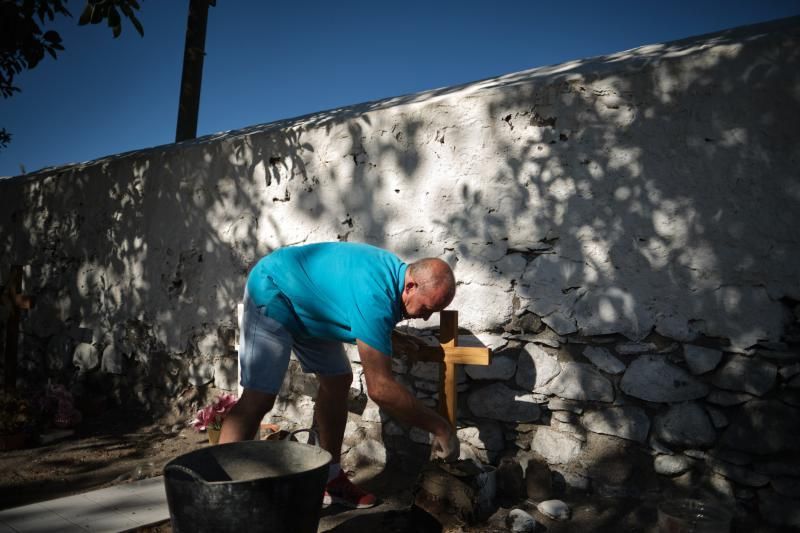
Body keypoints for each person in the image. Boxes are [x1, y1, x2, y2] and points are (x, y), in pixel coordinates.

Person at [219, 241, 460, 509]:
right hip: (273, 289)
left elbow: (351, 302)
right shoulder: (376, 294)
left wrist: (390, 336)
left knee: (337, 380)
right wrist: (440, 428)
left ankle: (329, 479)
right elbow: (380, 389)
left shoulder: (393, 279)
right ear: (411, 286)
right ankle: (215, 492)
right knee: (259, 398)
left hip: (310, 309)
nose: (426, 319)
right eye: (427, 309)